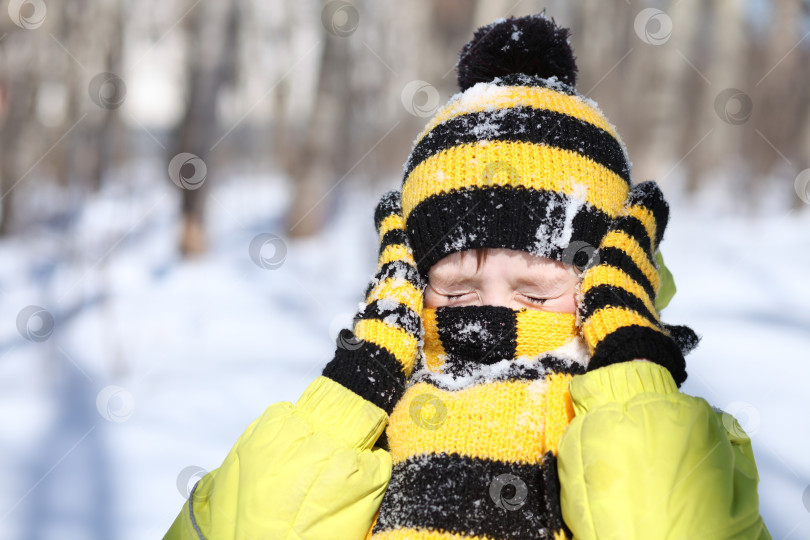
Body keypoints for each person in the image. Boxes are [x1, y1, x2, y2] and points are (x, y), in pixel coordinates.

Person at [164, 14, 771, 540]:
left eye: (536, 293)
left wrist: (631, 369)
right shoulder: (378, 418)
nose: (493, 317)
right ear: (406, 282)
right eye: (455, 292)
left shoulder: (667, 431)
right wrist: (355, 387)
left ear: (613, 281)